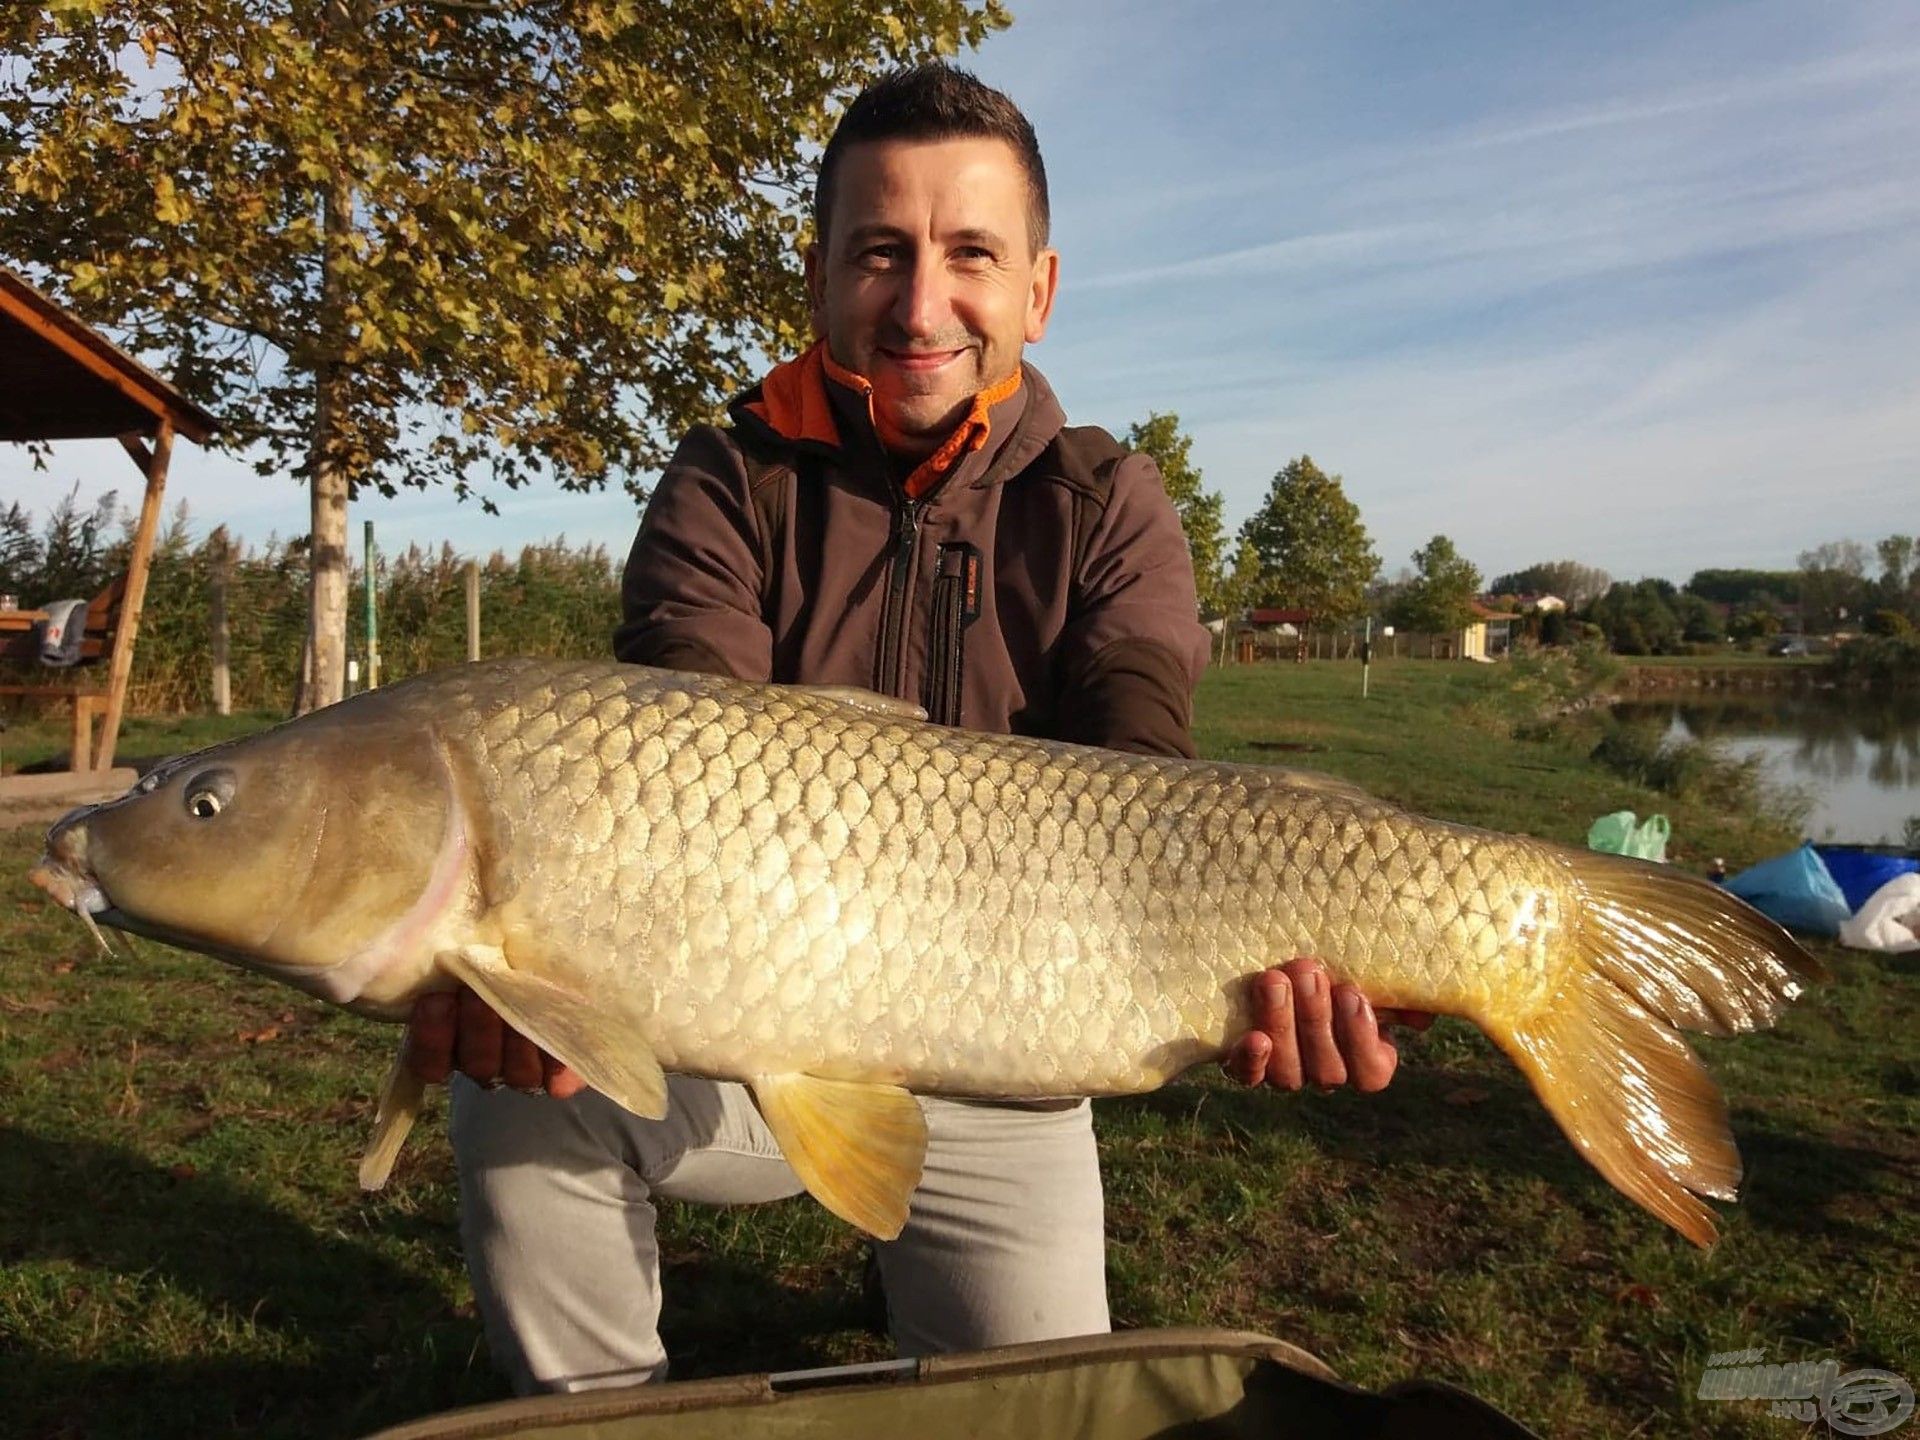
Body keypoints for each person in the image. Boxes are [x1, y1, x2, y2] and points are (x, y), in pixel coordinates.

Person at [406, 62, 1429, 1396]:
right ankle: (599, 1417)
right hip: (746, 1030)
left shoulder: (1108, 501)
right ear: (823, 275)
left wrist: (1274, 969)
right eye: (879, 253)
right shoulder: (731, 479)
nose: (922, 301)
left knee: (1031, 1405)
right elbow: (672, 732)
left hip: (1014, 1056)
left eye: (971, 255)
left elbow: (1144, 771)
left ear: (1039, 292)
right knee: (515, 1083)